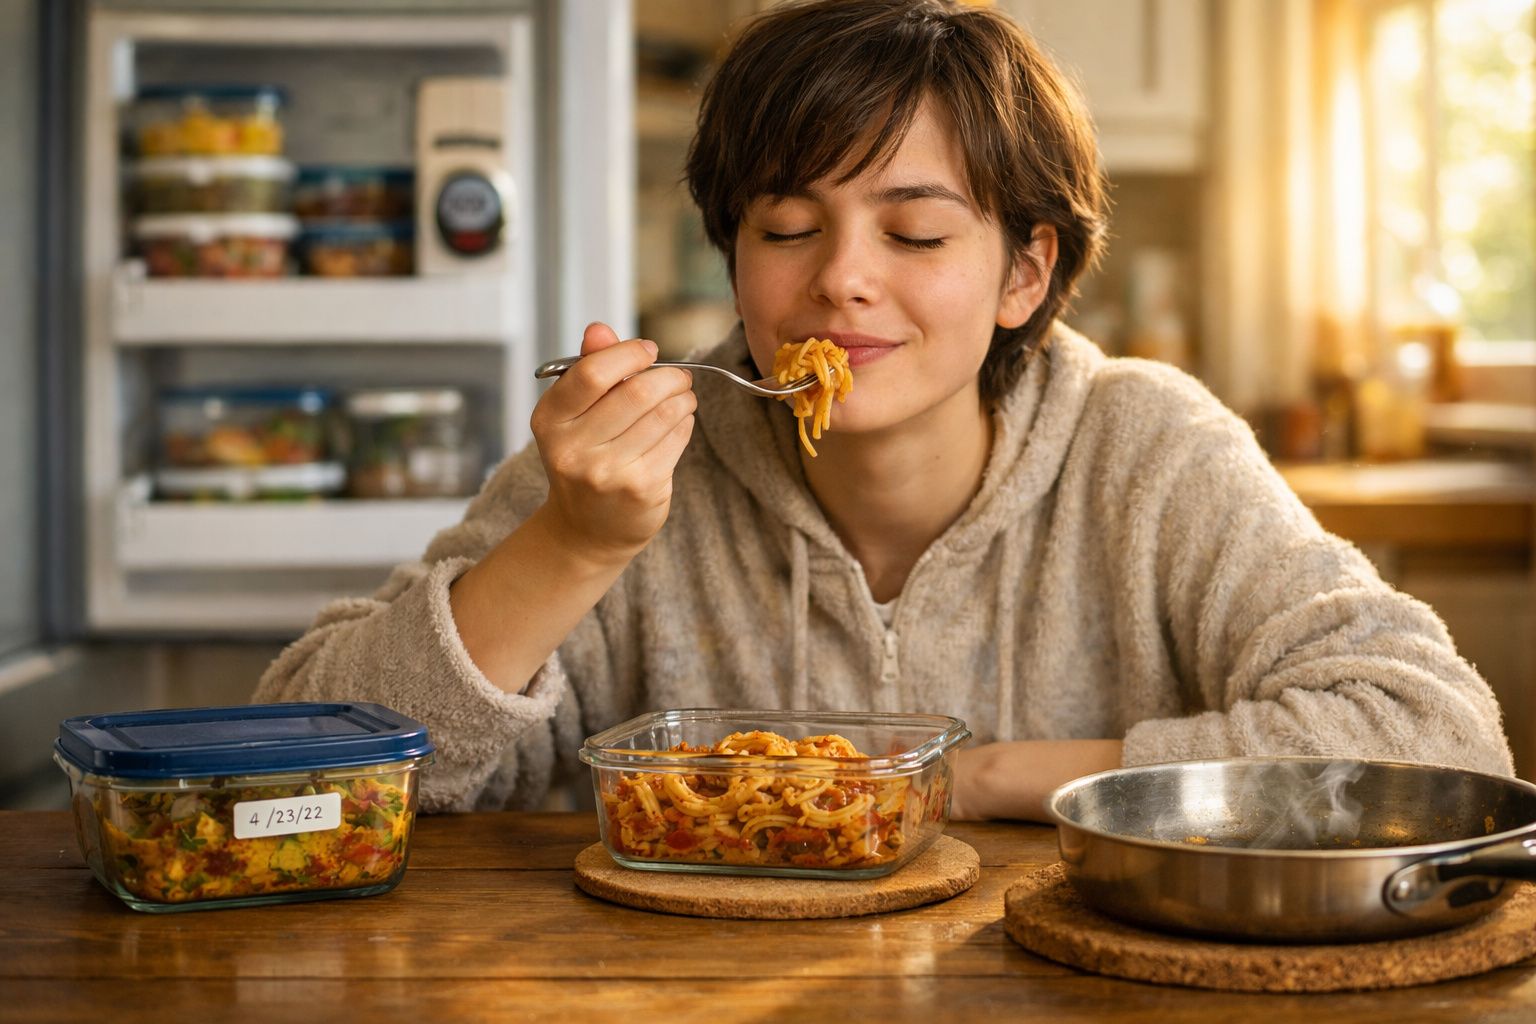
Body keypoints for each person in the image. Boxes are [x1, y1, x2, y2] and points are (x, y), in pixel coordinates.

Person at [254, 0, 1514, 817]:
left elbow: (1435, 737)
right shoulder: (625, 470)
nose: (840, 277)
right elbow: (299, 782)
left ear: (1026, 272)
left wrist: (970, 780)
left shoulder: (1143, 448)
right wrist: (570, 548)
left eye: (915, 230)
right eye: (787, 226)